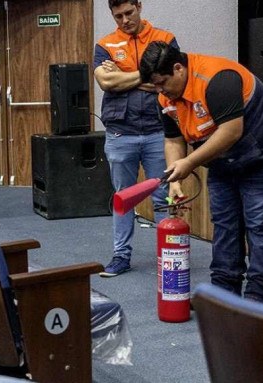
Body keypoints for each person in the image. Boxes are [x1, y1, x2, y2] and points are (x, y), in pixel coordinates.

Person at [139, 41, 263, 303]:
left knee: (259, 223)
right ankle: (224, 292)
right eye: (155, 86)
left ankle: (257, 295)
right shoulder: (166, 98)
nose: (160, 91)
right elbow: (173, 140)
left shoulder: (218, 79)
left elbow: (230, 132)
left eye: (162, 83)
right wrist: (174, 181)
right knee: (225, 223)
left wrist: (189, 164)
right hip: (225, 158)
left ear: (178, 68)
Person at [94, 0, 178, 277]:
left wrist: (122, 76)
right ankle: (121, 256)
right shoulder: (105, 44)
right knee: (123, 198)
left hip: (158, 132)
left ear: (139, 6)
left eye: (129, 13)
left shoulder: (164, 39)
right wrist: (146, 76)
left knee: (163, 197)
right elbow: (107, 83)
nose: (125, 20)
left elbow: (169, 79)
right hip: (121, 133)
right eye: (118, 16)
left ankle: (169, 254)